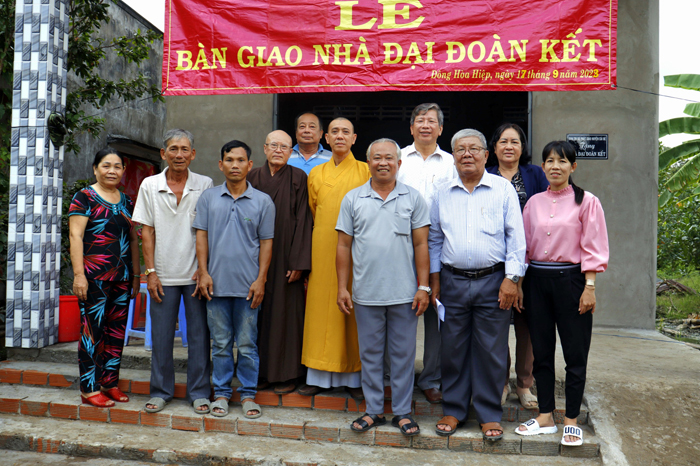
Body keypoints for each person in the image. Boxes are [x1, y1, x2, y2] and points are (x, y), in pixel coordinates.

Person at [429, 129, 527, 441]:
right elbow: (434, 239)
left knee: (492, 350)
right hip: (452, 281)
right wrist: (435, 282)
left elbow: (516, 238)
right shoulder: (441, 192)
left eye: (474, 149)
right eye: (460, 150)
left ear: (487, 155)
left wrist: (512, 279)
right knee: (453, 348)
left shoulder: (502, 189)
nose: (467, 154)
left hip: (494, 282)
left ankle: (488, 414)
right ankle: (454, 409)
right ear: (453, 156)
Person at [515, 140, 608, 447]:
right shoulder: (534, 203)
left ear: (573, 166)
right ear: (543, 167)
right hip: (536, 281)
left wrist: (589, 287)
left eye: (562, 161)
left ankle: (570, 419)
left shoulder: (587, 202)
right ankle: (545, 415)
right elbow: (524, 246)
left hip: (572, 282)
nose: (555, 166)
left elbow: (593, 247)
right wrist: (518, 283)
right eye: (550, 161)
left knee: (575, 352)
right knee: (541, 350)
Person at [337, 138, 430, 436]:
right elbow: (343, 245)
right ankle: (374, 410)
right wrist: (343, 287)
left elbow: (421, 244)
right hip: (366, 293)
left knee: (403, 355)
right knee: (371, 354)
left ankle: (403, 412)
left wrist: (424, 286)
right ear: (369, 162)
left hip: (405, 293)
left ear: (399, 163)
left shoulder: (413, 198)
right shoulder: (353, 199)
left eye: (389, 157)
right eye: (377, 157)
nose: (383, 162)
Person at [133, 129, 213, 415]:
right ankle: (161, 391)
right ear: (163, 153)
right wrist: (150, 272)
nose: (179, 154)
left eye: (184, 149)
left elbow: (206, 231)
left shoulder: (205, 184)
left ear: (193, 154)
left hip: (195, 275)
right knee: (163, 336)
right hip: (163, 274)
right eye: (173, 149)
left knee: (200, 337)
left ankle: (200, 392)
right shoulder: (150, 185)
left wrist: (204, 270)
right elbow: (147, 232)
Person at [193, 140, 275, 419]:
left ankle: (249, 395)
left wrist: (261, 279)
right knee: (221, 344)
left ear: (250, 165)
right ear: (221, 165)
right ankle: (223, 394)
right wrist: (203, 273)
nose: (235, 165)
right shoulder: (208, 198)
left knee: (248, 343)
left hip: (249, 287)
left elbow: (266, 243)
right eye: (229, 160)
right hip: (215, 285)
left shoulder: (263, 201)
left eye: (241, 160)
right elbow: (201, 236)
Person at [300, 117, 370, 398]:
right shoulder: (316, 173)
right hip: (323, 246)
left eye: (346, 132)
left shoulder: (366, 170)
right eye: (334, 132)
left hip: (356, 250)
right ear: (325, 139)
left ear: (355, 139)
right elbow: (314, 211)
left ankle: (354, 378)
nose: (340, 136)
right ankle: (318, 375)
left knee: (352, 312)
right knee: (320, 312)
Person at [69, 147, 140, 407]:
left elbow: (133, 239)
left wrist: (135, 275)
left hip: (121, 278)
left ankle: (109, 383)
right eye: (106, 165)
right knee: (92, 332)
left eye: (117, 166)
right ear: (95, 168)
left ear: (123, 170)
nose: (112, 170)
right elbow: (75, 236)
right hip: (94, 278)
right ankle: (89, 388)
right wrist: (79, 275)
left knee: (116, 333)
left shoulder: (128, 201)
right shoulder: (84, 197)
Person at [486, 123, 549, 409]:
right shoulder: (486, 176)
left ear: (522, 147)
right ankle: (499, 382)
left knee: (528, 325)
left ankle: (524, 384)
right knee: (497, 326)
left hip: (532, 261)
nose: (509, 146)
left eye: (515, 141)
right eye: (503, 141)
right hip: (496, 261)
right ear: (494, 147)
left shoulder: (535, 174)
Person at [397, 102, 456, 404]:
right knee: (400, 315)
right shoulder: (398, 160)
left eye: (431, 121)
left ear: (440, 129)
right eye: (419, 120)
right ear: (411, 128)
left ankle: (431, 377)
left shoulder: (450, 163)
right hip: (400, 245)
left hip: (439, 246)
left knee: (436, 315)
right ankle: (397, 377)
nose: (425, 125)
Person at [248, 130, 313, 394]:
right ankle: (260, 372)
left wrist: (299, 261)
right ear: (264, 148)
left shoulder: (298, 177)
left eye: (284, 147)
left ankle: (287, 374)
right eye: (273, 145)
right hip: (253, 260)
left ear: (291, 152)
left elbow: (304, 221)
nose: (278, 150)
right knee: (256, 318)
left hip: (286, 260)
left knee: (287, 317)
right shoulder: (251, 177)